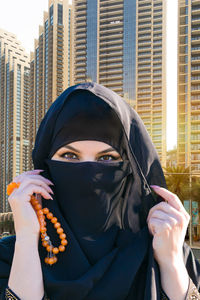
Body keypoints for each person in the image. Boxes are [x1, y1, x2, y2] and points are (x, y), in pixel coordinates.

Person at [0, 82, 200, 300]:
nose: (89, 173)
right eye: (69, 156)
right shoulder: (11, 256)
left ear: (132, 171)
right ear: (44, 168)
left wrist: (171, 262)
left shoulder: (167, 250)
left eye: (107, 158)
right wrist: (28, 240)